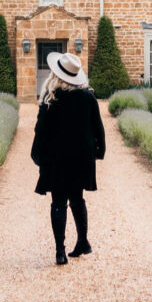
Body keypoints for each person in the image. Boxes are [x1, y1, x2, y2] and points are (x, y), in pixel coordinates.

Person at [31, 51, 106, 265]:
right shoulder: (88, 97)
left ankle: (60, 251)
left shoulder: (50, 97)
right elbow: (98, 127)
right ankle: (83, 242)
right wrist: (98, 152)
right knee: (77, 198)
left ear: (56, 74)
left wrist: (37, 155)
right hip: (81, 158)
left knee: (58, 202)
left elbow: (41, 130)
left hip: (56, 159)